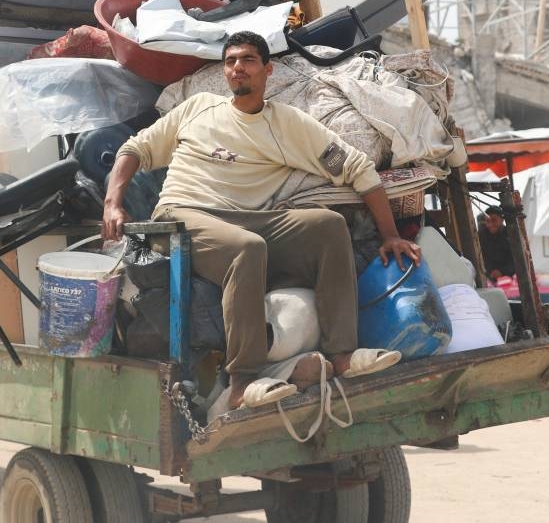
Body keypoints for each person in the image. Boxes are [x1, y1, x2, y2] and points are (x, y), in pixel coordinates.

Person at [102, 31, 421, 411]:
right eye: (231, 61)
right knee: (247, 248)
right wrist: (112, 204)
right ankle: (243, 382)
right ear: (225, 72)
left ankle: (342, 356)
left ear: (268, 70)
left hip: (250, 218)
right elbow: (134, 149)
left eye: (249, 60)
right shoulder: (198, 107)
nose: (238, 68)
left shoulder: (288, 124)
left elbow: (356, 167)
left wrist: (390, 234)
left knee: (328, 226)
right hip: (181, 215)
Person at [478, 205, 515, 281]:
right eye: (488, 221)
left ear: (502, 220)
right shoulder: (481, 235)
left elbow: (516, 261)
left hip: (509, 279)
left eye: (494, 220)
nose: (490, 225)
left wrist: (502, 272)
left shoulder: (511, 235)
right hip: (487, 278)